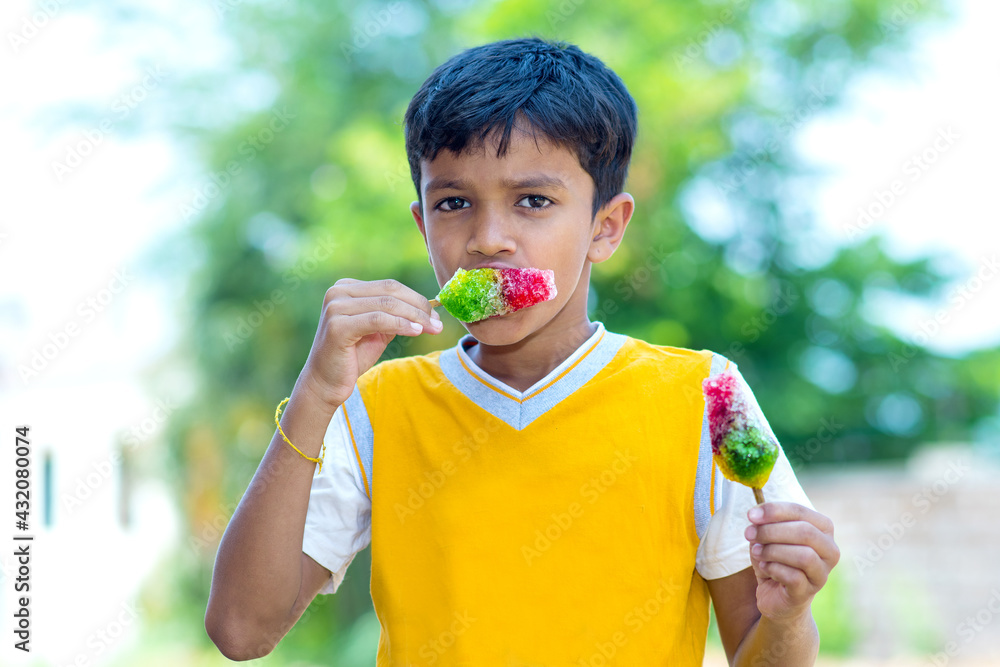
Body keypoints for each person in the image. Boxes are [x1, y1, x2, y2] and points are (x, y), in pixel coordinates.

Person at [205, 37, 840, 665]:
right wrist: (316, 394)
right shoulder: (374, 404)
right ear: (423, 226)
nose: (488, 240)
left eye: (533, 202)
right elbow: (241, 631)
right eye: (453, 203)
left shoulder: (702, 394)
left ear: (605, 227)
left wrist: (788, 614)